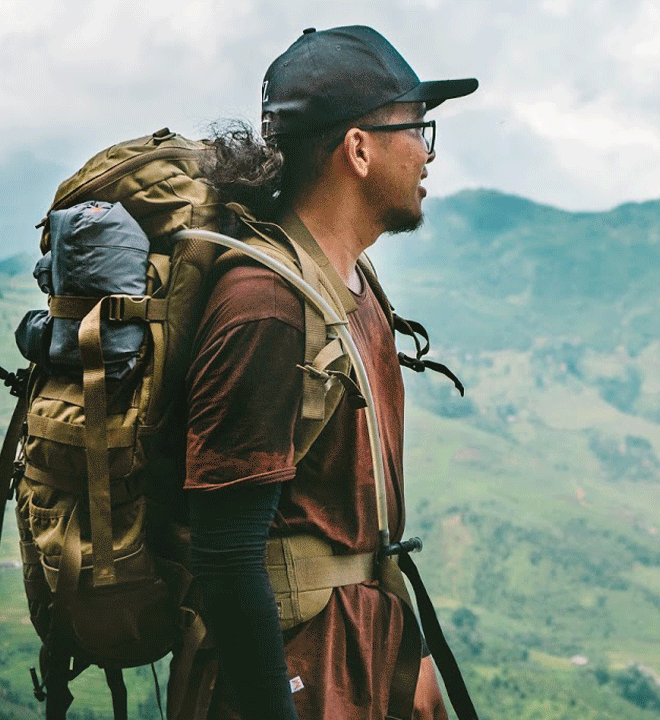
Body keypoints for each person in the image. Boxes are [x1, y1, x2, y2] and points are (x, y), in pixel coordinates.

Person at [184, 25, 478, 720]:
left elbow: (356, 513)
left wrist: (411, 659)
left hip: (358, 660)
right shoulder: (267, 306)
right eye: (418, 131)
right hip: (296, 677)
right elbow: (227, 558)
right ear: (358, 149)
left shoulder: (351, 286)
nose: (428, 157)